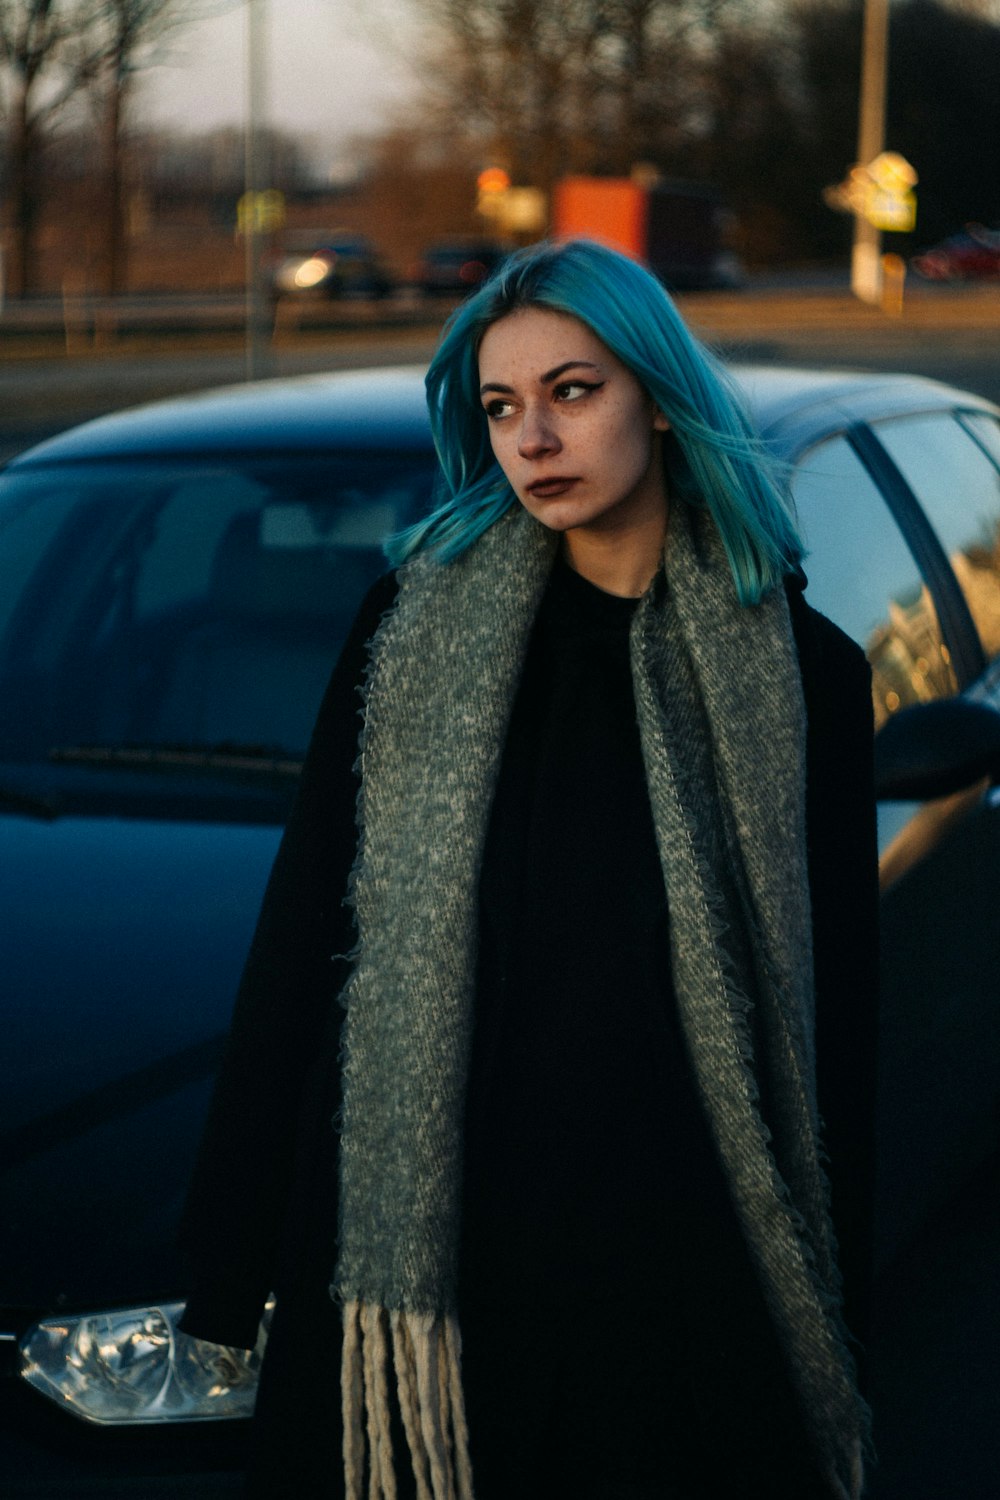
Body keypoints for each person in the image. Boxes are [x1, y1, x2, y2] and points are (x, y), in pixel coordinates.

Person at [178, 238, 878, 1500]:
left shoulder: (803, 673)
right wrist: (229, 1263)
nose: (532, 439)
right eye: (501, 407)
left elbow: (837, 1008)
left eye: (572, 391)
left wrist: (844, 1284)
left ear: (658, 398)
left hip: (671, 1260)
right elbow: (303, 936)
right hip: (434, 1240)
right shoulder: (412, 633)